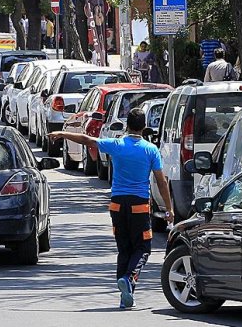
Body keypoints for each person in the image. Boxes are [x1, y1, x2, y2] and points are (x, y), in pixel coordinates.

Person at [48, 108, 174, 309]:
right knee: (142, 247)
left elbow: (87, 140)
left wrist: (62, 133)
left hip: (117, 204)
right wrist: (168, 209)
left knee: (124, 248)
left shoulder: (117, 145)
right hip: (139, 205)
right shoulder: (150, 149)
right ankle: (129, 278)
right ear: (144, 127)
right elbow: (161, 182)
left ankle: (125, 293)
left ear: (127, 126)